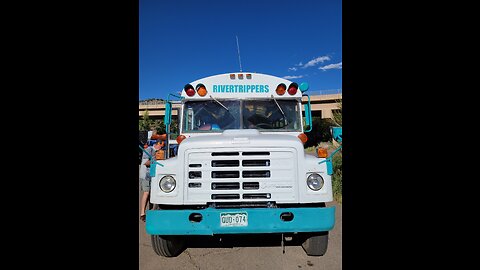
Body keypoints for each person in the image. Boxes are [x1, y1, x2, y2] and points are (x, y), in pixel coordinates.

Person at [139, 141, 163, 222]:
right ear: (157, 144)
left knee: (152, 194)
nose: (162, 147)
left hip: (154, 175)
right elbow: (145, 162)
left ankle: (151, 211)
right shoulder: (149, 150)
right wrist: (155, 161)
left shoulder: (160, 152)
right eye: (161, 145)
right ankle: (142, 213)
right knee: (146, 193)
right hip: (146, 174)